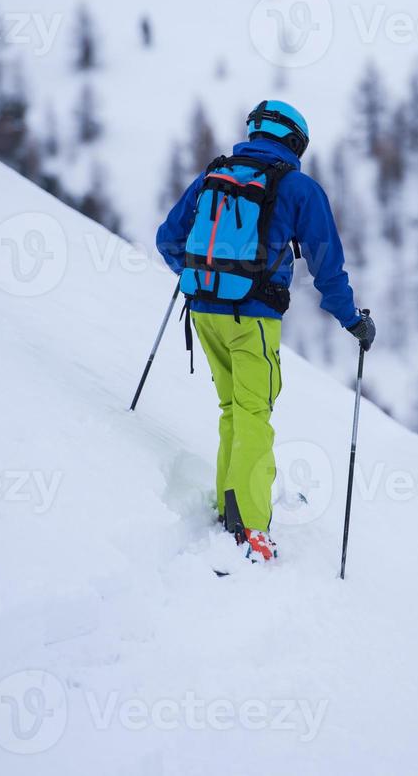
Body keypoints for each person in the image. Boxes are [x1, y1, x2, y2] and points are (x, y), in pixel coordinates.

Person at [157, 100, 376, 563]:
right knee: (255, 413)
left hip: (202, 311)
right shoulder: (299, 188)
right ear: (295, 142)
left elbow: (168, 238)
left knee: (233, 409)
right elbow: (327, 268)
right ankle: (250, 527)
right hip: (252, 318)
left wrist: (199, 277)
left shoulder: (213, 175)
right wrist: (353, 321)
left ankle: (230, 504)